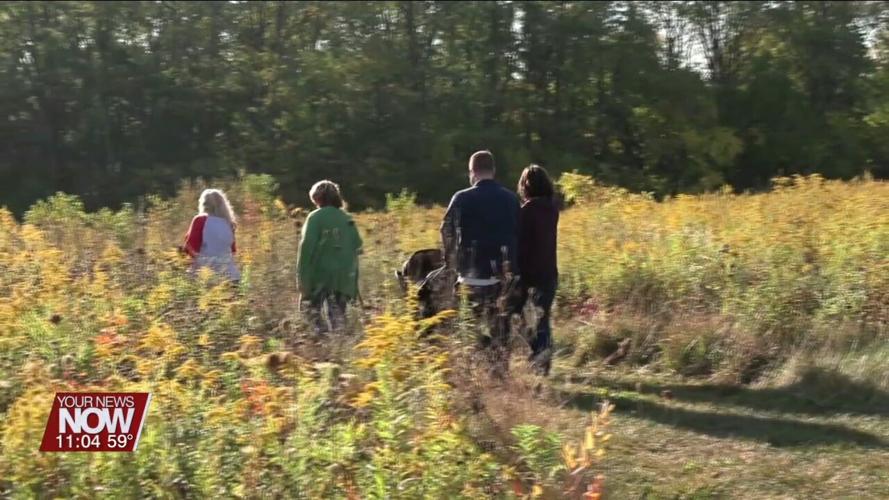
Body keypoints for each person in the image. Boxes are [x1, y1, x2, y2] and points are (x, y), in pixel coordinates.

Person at [441, 150, 520, 374]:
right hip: (502, 277)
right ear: (493, 171)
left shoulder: (461, 198)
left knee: (471, 327)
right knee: (500, 328)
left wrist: (450, 262)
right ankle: (500, 373)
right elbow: (519, 233)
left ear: (472, 172)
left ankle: (477, 372)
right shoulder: (510, 198)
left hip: (470, 275)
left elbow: (446, 230)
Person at [297, 180, 363, 334]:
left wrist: (302, 278)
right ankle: (340, 345)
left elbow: (306, 248)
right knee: (338, 316)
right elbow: (357, 245)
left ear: (317, 198)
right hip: (343, 277)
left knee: (309, 313)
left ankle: (322, 340)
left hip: (320, 276)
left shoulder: (315, 217)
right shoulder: (347, 218)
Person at [517, 165, 559, 376]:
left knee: (526, 319)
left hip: (530, 274)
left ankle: (539, 359)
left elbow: (521, 241)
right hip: (549, 272)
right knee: (542, 317)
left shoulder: (528, 210)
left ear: (526, 186)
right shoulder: (552, 208)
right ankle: (543, 359)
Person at [182, 188, 240, 282]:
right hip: (232, 276)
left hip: (207, 276)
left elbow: (190, 248)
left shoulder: (200, 220)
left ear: (203, 204)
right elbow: (232, 251)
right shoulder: (229, 224)